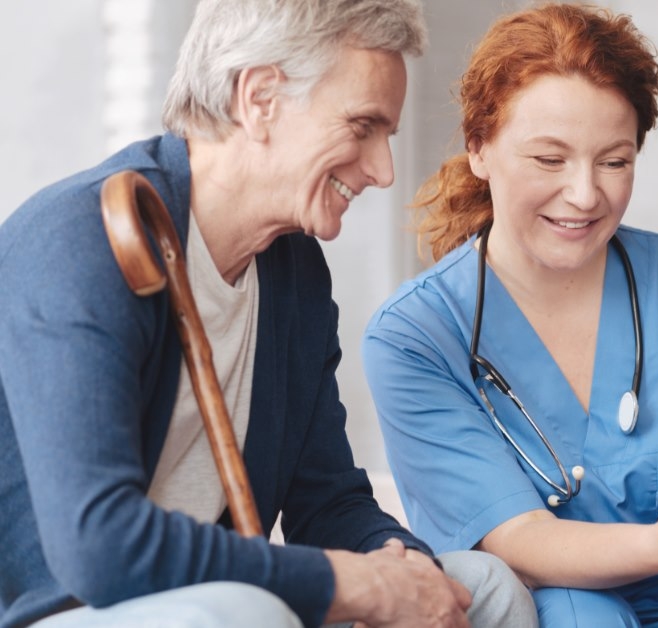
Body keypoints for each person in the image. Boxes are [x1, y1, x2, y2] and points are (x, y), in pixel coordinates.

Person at [0, 1, 537, 627]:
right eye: (362, 126)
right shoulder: (80, 240)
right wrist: (353, 583)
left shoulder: (294, 272)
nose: (383, 171)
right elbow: (98, 548)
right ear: (259, 99)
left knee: (483, 588)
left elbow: (328, 503)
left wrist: (406, 571)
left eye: (386, 136)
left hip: (221, 600)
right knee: (246, 612)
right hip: (70, 609)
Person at [361, 3, 658, 626]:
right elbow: (516, 544)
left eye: (614, 161)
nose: (584, 195)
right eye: (549, 160)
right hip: (557, 608)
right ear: (479, 148)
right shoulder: (416, 336)